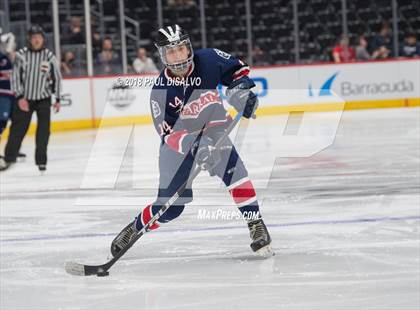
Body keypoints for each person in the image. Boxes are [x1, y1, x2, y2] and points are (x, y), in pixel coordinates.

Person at [111, 25, 272, 257]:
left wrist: (241, 92)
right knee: (171, 208)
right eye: (171, 51)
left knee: (235, 172)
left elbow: (237, 71)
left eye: (181, 48)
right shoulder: (160, 91)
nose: (178, 56)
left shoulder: (208, 59)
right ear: (163, 55)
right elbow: (168, 135)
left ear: (189, 48)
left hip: (215, 131)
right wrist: (197, 147)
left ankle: (256, 224)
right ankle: (134, 227)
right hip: (178, 148)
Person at [0, 25, 62, 172]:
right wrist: (20, 96)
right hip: (25, 99)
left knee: (43, 131)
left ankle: (41, 161)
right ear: (29, 39)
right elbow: (15, 77)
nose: (36, 40)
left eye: (38, 37)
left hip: (44, 98)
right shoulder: (21, 55)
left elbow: (57, 78)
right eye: (33, 37)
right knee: (18, 130)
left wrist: (58, 98)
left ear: (43, 39)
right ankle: (9, 158)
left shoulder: (49, 56)